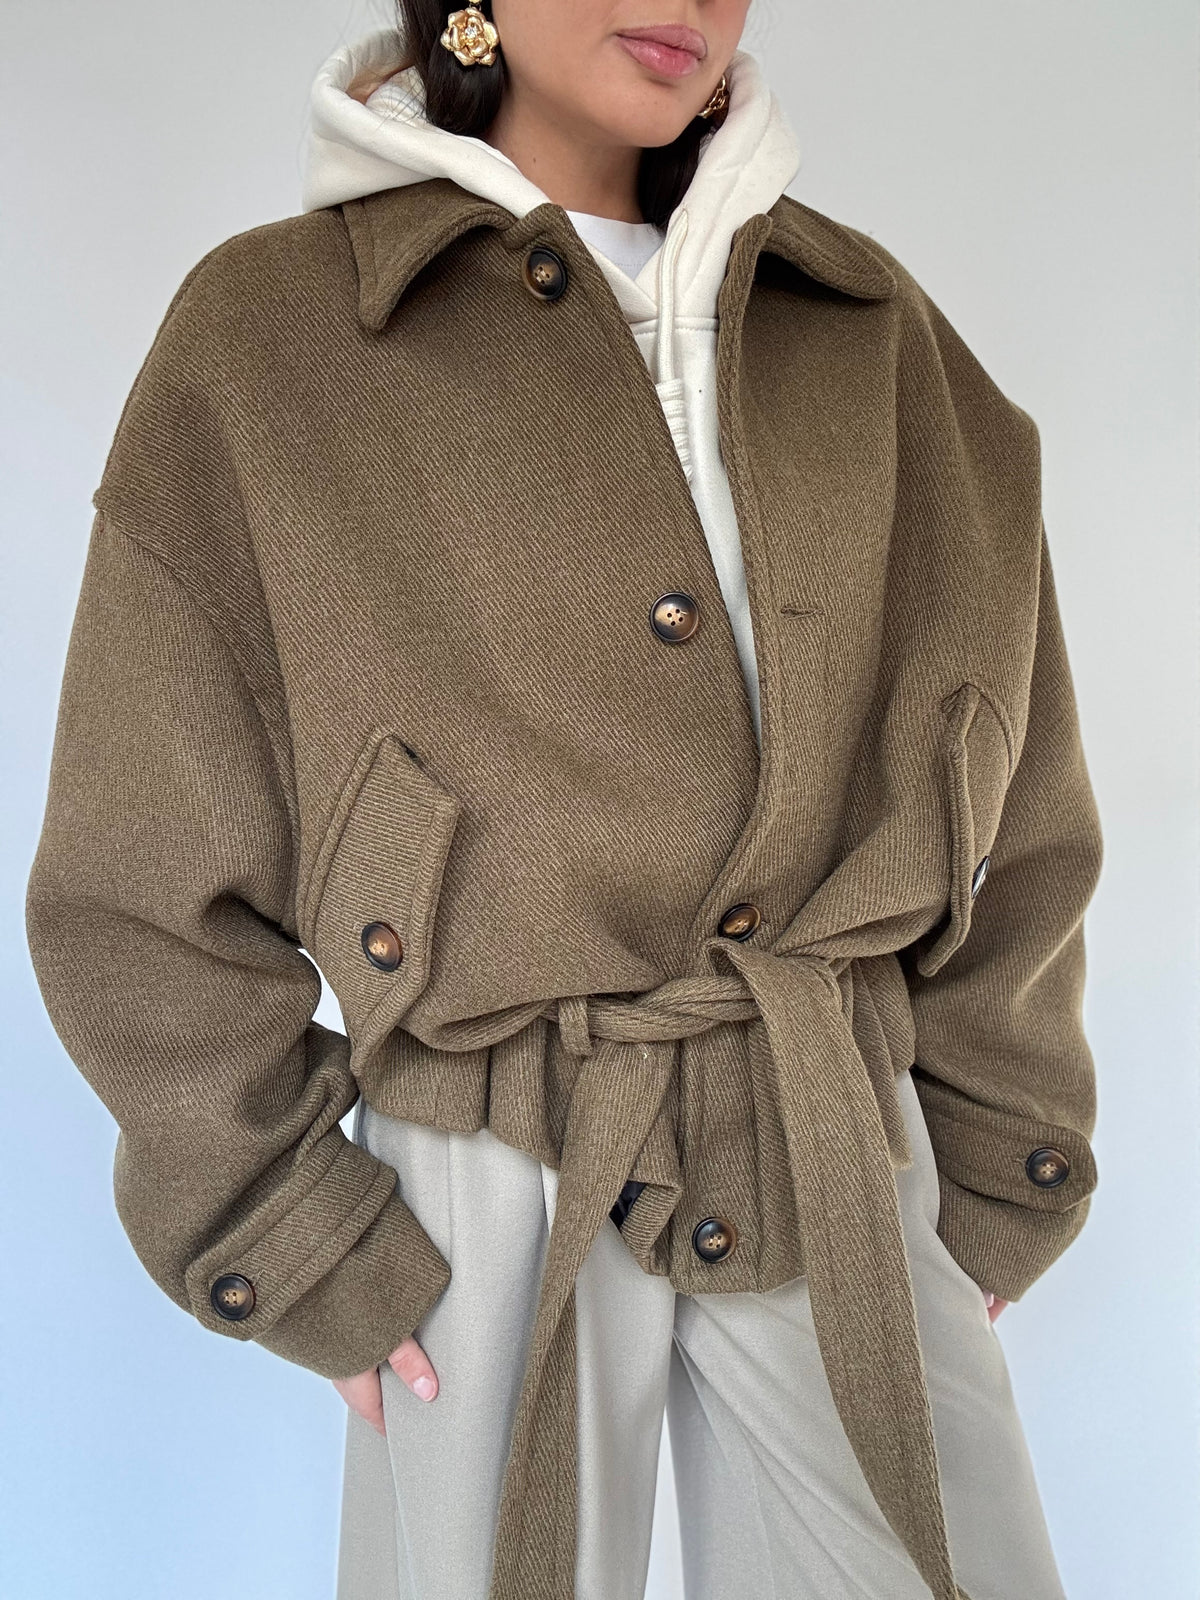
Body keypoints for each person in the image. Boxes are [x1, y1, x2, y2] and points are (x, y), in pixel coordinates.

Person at [25, 2, 1104, 1598]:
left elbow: (1020, 786)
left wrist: (1001, 1140)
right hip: (484, 1157)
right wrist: (287, 1225)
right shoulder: (269, 340)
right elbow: (136, 868)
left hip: (831, 1124)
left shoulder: (874, 332)